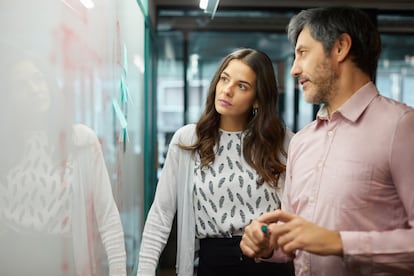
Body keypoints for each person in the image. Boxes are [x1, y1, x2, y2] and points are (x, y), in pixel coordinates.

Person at [240, 6, 414, 276]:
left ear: (340, 47)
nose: (294, 69)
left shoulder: (402, 126)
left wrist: (339, 242)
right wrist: (267, 243)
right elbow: (294, 241)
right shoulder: (302, 141)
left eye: (303, 53)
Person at [137, 48, 294, 276]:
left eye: (242, 86)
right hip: (214, 264)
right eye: (224, 79)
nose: (227, 90)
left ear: (258, 99)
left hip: (270, 265)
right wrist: (145, 271)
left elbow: (298, 217)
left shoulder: (284, 142)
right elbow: (161, 215)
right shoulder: (189, 140)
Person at [0, 45, 127, 276]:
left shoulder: (81, 142)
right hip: (10, 258)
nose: (34, 89)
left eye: (38, 79)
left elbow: (107, 217)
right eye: (22, 85)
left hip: (63, 261)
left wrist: (118, 271)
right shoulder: (5, 147)